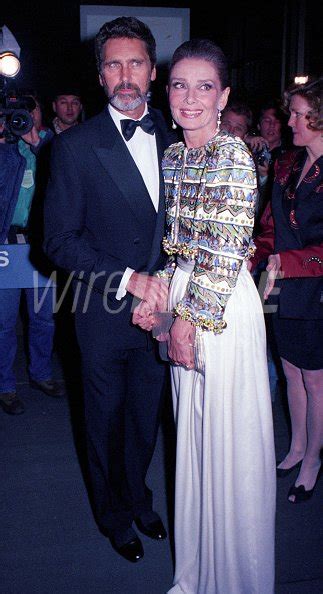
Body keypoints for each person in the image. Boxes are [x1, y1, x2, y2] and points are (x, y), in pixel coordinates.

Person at [134, 38, 276, 594]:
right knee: (191, 436)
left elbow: (224, 250)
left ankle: (236, 579)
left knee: (226, 438)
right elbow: (180, 246)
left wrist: (188, 319)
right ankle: (197, 573)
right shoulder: (175, 156)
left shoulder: (234, 155)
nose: (190, 98)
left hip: (222, 306)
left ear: (224, 96)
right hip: (189, 295)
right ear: (166, 92)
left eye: (205, 86)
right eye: (179, 85)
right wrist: (160, 296)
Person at [44, 17, 174, 562]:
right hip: (102, 310)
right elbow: (58, 240)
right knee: (104, 421)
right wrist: (127, 278)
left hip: (165, 312)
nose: (126, 74)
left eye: (136, 62)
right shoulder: (75, 148)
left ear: (152, 70)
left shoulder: (178, 136)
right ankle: (112, 515)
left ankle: (139, 497)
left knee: (147, 418)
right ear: (100, 76)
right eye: (114, 64)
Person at [250, 76, 323, 503]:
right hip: (284, 286)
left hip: (315, 288)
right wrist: (256, 254)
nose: (288, 120)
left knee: (315, 380)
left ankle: (313, 458)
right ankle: (297, 446)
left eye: (297, 113)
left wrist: (286, 262)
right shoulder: (287, 163)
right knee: (292, 372)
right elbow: (271, 227)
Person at [0, 92, 64, 416]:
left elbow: (62, 175)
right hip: (6, 248)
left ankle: (41, 374)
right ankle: (6, 386)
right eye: (17, 112)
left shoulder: (52, 145)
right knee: (4, 322)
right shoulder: (3, 146)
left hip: (39, 246)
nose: (23, 116)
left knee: (42, 318)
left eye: (29, 110)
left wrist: (34, 140)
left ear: (39, 112)